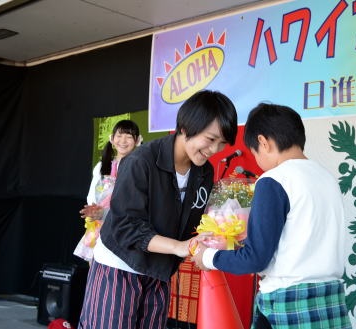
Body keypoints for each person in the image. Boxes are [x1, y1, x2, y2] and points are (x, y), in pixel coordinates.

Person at [78, 90, 238, 329]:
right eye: (210, 139)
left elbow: (193, 224)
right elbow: (126, 227)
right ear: (185, 128)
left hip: (159, 271)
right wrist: (179, 247)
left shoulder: (203, 173)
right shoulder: (140, 162)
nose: (215, 150)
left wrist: (221, 236)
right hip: (119, 266)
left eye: (222, 143)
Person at [192, 103, 352, 329]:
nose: (256, 159)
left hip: (287, 305)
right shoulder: (327, 178)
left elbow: (256, 259)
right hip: (331, 300)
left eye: (254, 151)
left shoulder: (274, 180)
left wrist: (207, 256)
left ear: (263, 143)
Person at [73, 119, 142, 263]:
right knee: (96, 268)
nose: (123, 140)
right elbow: (92, 196)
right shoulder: (101, 167)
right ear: (112, 139)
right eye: (119, 135)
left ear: (137, 141)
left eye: (129, 136)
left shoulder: (139, 167)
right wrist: (94, 211)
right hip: (99, 223)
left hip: (123, 225)